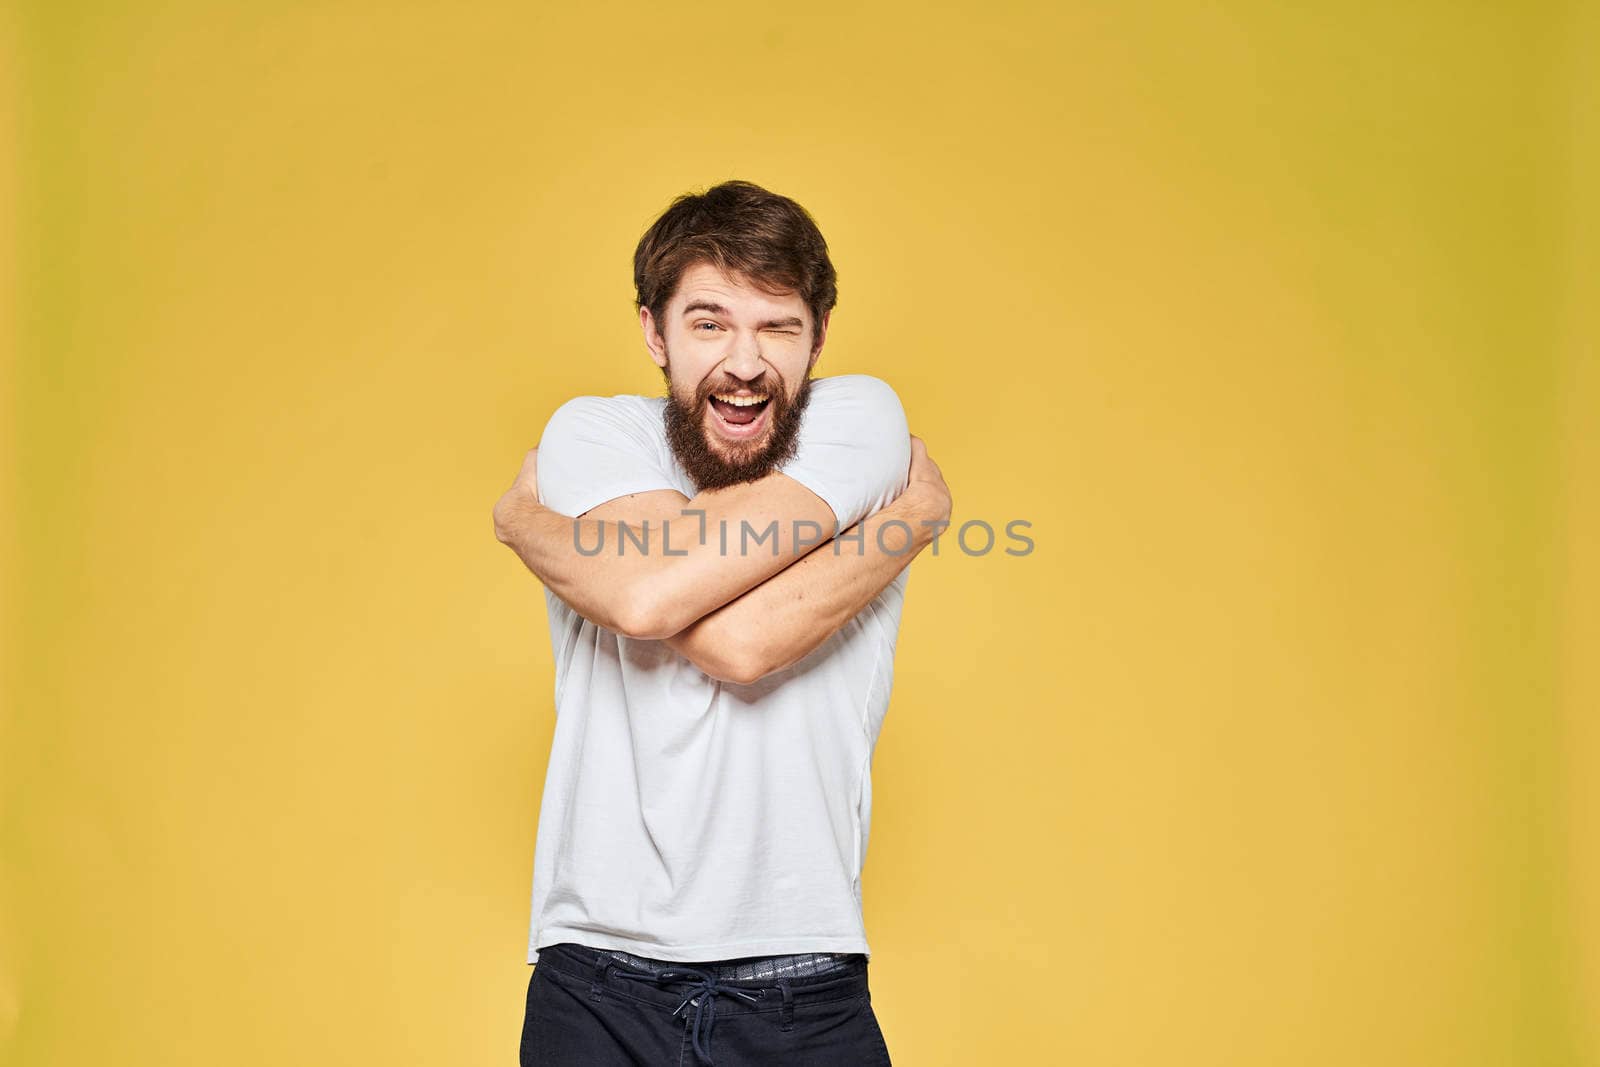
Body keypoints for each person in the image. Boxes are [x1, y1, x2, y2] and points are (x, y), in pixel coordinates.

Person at [492, 179, 952, 1066]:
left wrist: (535, 528)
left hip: (804, 990)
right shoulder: (593, 432)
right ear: (654, 332)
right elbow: (652, 603)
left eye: (777, 326)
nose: (744, 363)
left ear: (818, 336)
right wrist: (903, 523)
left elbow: (726, 639)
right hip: (594, 983)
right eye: (709, 324)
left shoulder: (859, 419)